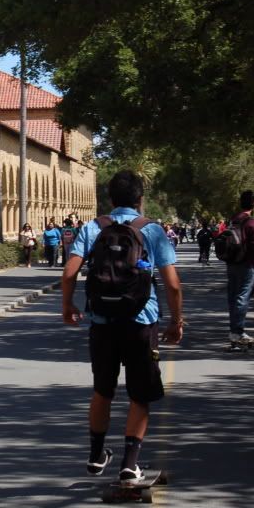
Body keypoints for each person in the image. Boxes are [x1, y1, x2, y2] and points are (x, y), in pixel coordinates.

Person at [62, 170, 183, 485]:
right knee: (139, 394)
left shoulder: (93, 227)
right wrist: (176, 321)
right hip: (141, 320)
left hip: (102, 321)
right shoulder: (152, 230)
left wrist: (68, 305)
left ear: (110, 199)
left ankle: (96, 453)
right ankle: (130, 464)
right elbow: (172, 284)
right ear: (140, 200)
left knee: (103, 390)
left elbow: (69, 272)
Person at [224, 191, 254, 345]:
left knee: (233, 297)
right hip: (246, 265)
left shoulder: (233, 220)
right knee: (242, 296)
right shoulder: (253, 223)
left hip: (231, 263)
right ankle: (237, 332)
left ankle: (234, 329)